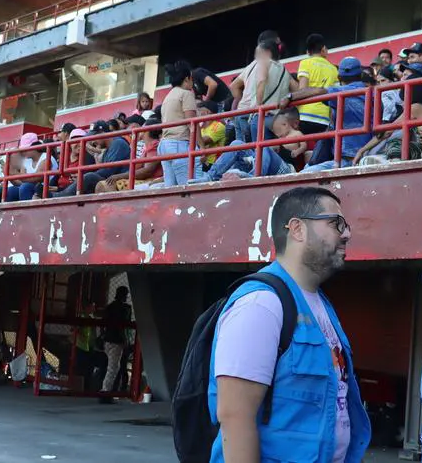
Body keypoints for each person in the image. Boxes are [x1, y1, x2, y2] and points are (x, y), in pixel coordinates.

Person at [209, 187, 370, 462]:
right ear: (297, 229)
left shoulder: (321, 305)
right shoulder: (261, 304)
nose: (346, 234)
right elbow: (235, 418)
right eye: (336, 223)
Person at [284, 57, 372, 170]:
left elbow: (318, 91)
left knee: (304, 175)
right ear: (360, 75)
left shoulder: (340, 92)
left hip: (347, 160)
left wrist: (290, 96)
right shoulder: (375, 94)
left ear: (339, 78)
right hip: (368, 153)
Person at [231, 37, 296, 143]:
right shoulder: (284, 70)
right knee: (262, 151)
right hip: (272, 117)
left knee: (245, 151)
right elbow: (297, 89)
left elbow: (236, 86)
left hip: (250, 114)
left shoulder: (258, 64)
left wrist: (257, 105)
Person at [158, 61, 200, 186]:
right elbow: (192, 124)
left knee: (170, 189)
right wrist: (202, 147)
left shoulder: (168, 96)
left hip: (165, 145)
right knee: (187, 188)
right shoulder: (186, 94)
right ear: (187, 78)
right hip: (179, 143)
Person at [295, 34, 339, 136]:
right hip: (325, 118)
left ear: (308, 51)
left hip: (305, 116)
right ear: (323, 48)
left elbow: (302, 89)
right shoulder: (333, 69)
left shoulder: (305, 63)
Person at [98, 286, 133, 404]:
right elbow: (124, 326)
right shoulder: (126, 308)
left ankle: (106, 389)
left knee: (109, 366)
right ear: (125, 295)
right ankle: (106, 391)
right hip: (117, 341)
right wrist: (126, 340)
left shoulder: (109, 308)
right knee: (114, 367)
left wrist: (102, 336)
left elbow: (102, 323)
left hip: (107, 339)